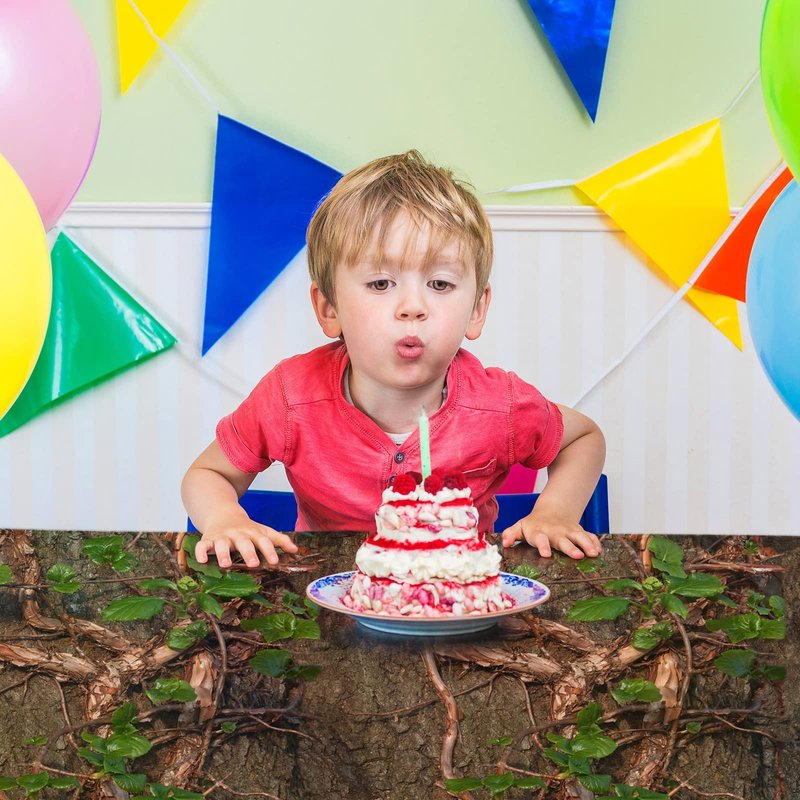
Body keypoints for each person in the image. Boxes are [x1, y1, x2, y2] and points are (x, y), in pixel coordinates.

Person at [181, 150, 606, 569]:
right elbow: (208, 474)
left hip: (459, 593)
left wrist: (556, 511)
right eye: (381, 283)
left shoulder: (501, 405)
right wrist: (225, 519)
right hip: (328, 592)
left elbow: (582, 439)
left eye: (440, 284)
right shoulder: (290, 398)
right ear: (329, 309)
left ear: (477, 309)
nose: (413, 307)